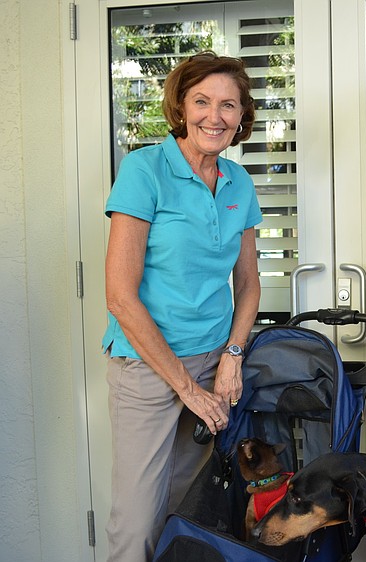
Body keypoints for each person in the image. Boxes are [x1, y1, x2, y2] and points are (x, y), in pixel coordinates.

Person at [102, 51, 262, 562]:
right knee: (137, 524)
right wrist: (187, 389)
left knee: (188, 515)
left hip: (213, 366)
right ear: (180, 106)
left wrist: (233, 354)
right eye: (202, 101)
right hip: (147, 368)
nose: (214, 116)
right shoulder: (145, 169)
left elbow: (250, 283)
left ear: (241, 118)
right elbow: (120, 296)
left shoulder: (239, 183)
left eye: (228, 105)